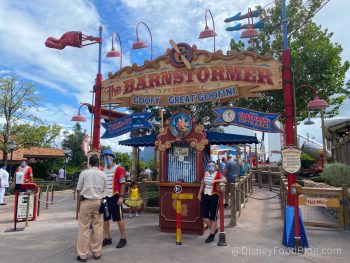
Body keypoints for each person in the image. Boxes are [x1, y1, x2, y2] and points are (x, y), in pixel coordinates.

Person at [76, 154, 107, 262]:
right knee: (97, 227)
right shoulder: (103, 174)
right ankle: (97, 252)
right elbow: (104, 189)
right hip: (98, 202)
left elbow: (78, 188)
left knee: (83, 227)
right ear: (98, 163)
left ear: (89, 162)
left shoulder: (84, 173)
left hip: (86, 202)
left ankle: (83, 255)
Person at [101, 149, 127, 249]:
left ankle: (123, 238)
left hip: (115, 197)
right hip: (104, 197)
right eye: (104, 157)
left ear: (112, 157)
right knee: (105, 218)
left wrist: (121, 197)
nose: (106, 158)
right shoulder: (102, 170)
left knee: (119, 218)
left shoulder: (119, 169)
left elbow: (123, 184)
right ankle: (107, 238)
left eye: (108, 156)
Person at [197, 161, 227, 243]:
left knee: (213, 217)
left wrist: (215, 181)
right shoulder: (205, 173)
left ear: (215, 166)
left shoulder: (218, 174)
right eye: (209, 165)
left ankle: (212, 235)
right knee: (205, 217)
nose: (210, 166)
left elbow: (225, 180)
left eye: (212, 165)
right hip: (205, 195)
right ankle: (214, 229)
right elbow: (202, 184)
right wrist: (199, 194)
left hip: (214, 196)